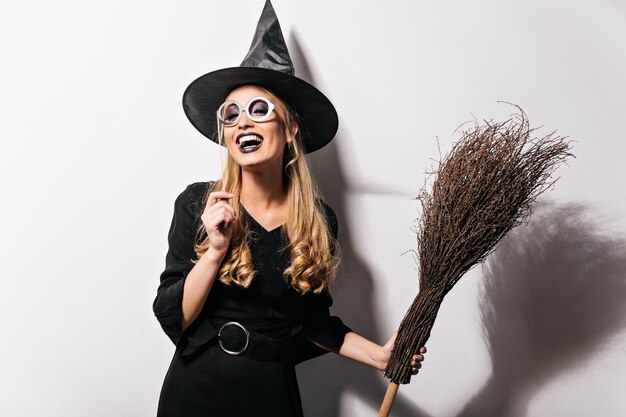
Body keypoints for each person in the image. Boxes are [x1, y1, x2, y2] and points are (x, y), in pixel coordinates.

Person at [153, 2, 425, 416]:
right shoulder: (198, 203)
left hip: (271, 397)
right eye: (231, 115)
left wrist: (381, 357)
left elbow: (314, 324)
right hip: (195, 393)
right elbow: (177, 319)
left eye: (259, 110)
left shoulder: (317, 221)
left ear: (290, 127)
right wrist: (215, 249)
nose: (243, 123)